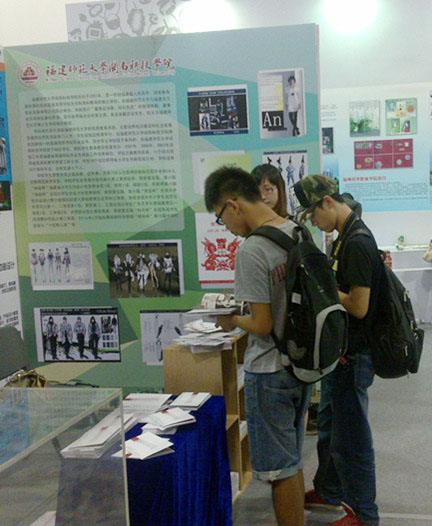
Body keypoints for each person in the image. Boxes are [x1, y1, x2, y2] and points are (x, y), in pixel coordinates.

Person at [204, 166, 311, 526]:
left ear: (233, 205)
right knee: (291, 461)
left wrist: (232, 320)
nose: (227, 227)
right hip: (300, 363)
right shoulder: (296, 230)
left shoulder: (252, 249)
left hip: (269, 371)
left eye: (221, 219)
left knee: (279, 472)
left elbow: (262, 325)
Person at [291, 174, 383, 526]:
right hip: (342, 353)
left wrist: (323, 290)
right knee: (330, 424)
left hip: (355, 355)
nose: (314, 223)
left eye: (314, 215)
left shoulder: (357, 241)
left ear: (327, 202)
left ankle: (365, 514)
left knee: (352, 438)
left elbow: (359, 305)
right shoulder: (345, 235)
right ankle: (330, 490)